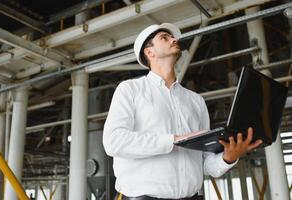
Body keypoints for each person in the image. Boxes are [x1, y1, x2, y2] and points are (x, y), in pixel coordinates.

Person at [103, 23, 262, 200]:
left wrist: (228, 157)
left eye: (173, 37)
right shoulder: (130, 90)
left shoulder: (195, 101)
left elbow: (205, 164)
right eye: (165, 37)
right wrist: (175, 140)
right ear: (149, 52)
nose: (174, 39)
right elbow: (113, 142)